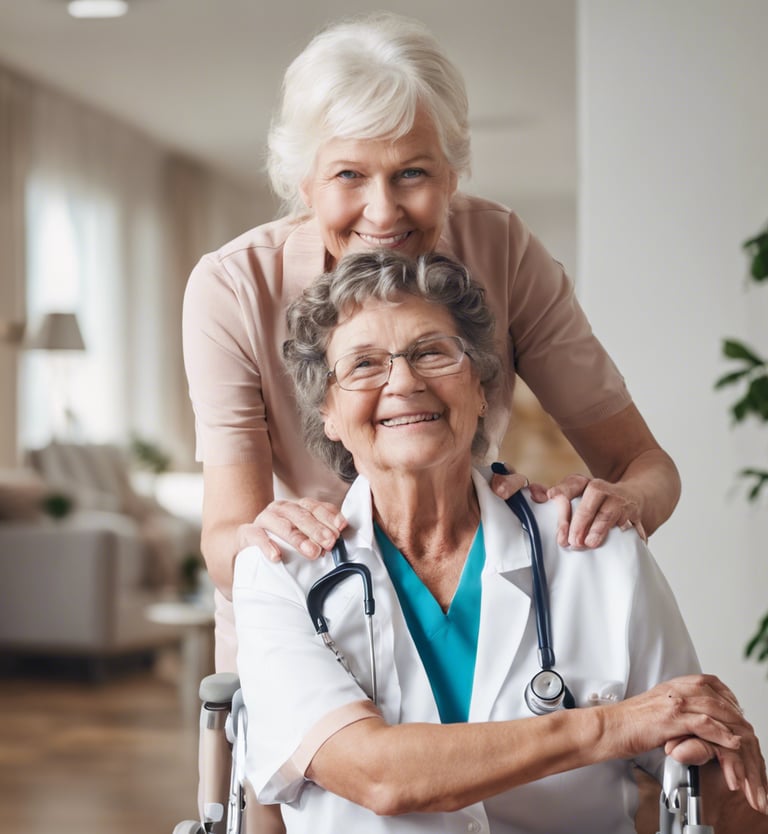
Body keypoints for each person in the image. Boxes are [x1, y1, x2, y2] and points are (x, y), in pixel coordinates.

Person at [183, 12, 681, 673]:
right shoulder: (233, 287)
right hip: (310, 612)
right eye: (349, 176)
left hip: (472, 592)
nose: (384, 212)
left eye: (412, 173)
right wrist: (259, 540)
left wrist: (626, 503)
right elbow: (225, 537)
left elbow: (646, 466)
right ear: (304, 183)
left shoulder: (503, 250)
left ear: (452, 173)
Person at [231, 249, 766, 833]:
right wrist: (610, 725)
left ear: (483, 387)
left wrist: (713, 757)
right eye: (363, 364)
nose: (404, 382)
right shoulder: (280, 573)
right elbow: (376, 775)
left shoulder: (597, 551)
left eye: (432, 352)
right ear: (328, 413)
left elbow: (701, 763)